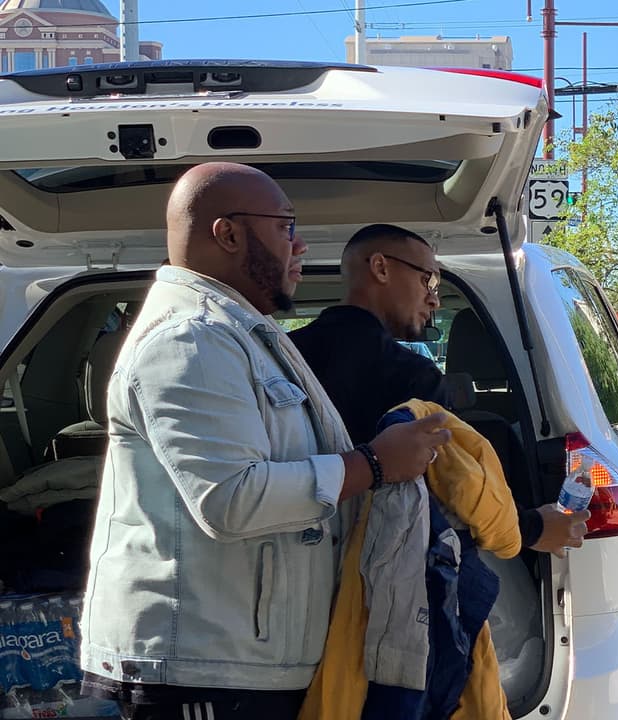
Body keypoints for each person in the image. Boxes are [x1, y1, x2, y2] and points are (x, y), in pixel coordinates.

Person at [79, 163, 452, 720]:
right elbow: (232, 499)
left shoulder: (238, 334)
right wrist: (375, 464)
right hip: (198, 672)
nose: (299, 244)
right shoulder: (192, 338)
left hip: (238, 664)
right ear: (227, 234)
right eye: (285, 226)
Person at [290, 224, 588, 556]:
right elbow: (456, 486)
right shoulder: (414, 377)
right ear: (380, 268)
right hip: (384, 565)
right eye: (428, 279)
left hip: (289, 553)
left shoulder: (285, 356)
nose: (433, 298)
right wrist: (533, 529)